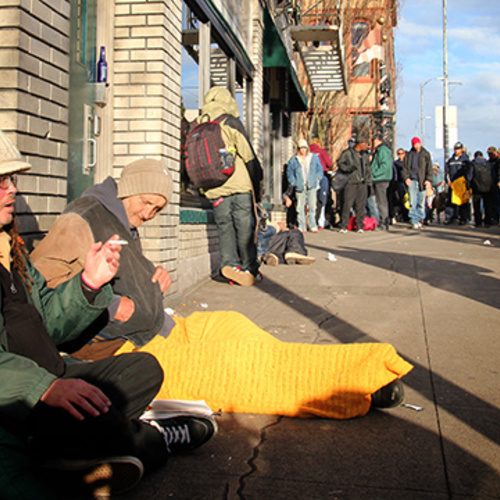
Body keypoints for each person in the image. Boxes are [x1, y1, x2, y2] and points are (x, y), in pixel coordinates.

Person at [32, 157, 413, 422]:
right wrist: (109, 305)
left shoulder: (124, 221)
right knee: (237, 367)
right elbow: (44, 293)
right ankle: (359, 383)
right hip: (122, 349)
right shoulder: (80, 220)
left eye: (158, 208)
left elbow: (120, 274)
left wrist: (152, 279)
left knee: (234, 326)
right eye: (147, 203)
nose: (149, 214)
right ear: (128, 191)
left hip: (163, 329)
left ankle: (337, 373)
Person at [0, 132, 216, 499]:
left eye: (13, 180)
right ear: (128, 191)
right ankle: (150, 438)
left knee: (142, 370)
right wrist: (44, 389)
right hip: (23, 394)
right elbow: (52, 268)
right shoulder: (84, 218)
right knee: (111, 432)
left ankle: (86, 443)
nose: (12, 191)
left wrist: (89, 285)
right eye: (1, 181)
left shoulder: (10, 249)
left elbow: (48, 320)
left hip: (55, 371)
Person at [198, 86, 262, 286]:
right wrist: (258, 183)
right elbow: (248, 154)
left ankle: (229, 265)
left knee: (224, 228)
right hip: (239, 185)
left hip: (215, 189)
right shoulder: (230, 121)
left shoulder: (200, 124)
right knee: (245, 227)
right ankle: (249, 268)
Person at [286, 139, 324, 233]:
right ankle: (302, 226)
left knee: (312, 206)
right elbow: (289, 172)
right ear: (298, 149)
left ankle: (312, 225)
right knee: (300, 206)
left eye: (304, 148)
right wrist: (293, 182)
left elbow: (320, 169)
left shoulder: (313, 157)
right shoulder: (294, 160)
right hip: (300, 185)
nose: (303, 150)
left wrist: (317, 178)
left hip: (312, 184)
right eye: (301, 148)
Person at [337, 136, 372, 233]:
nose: (367, 146)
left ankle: (359, 225)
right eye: (365, 143)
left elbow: (368, 168)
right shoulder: (348, 153)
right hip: (351, 182)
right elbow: (340, 164)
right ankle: (344, 225)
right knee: (347, 203)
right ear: (359, 144)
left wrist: (368, 181)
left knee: (361, 205)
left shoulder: (365, 155)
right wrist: (349, 169)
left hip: (362, 182)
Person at [402, 137, 433, 230]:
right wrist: (406, 178)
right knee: (412, 201)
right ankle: (414, 220)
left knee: (421, 201)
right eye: (415, 144)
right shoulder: (409, 155)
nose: (417, 146)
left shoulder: (425, 154)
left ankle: (420, 219)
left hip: (422, 181)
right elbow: (404, 168)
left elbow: (429, 168)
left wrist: (428, 180)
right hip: (412, 180)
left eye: (418, 144)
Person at [444, 141, 472, 225]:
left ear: (461, 150)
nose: (456, 151)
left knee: (463, 201)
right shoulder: (451, 160)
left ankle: (463, 218)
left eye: (458, 149)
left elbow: (468, 172)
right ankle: (450, 217)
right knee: (450, 201)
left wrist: (467, 182)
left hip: (462, 184)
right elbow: (447, 171)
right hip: (453, 184)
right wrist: (447, 180)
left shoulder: (465, 160)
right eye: (455, 149)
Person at [370, 134, 394, 230]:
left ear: (378, 140)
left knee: (381, 201)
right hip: (380, 178)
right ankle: (383, 221)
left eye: (373, 140)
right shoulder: (380, 150)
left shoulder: (383, 150)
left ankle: (384, 222)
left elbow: (385, 165)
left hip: (381, 179)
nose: (372, 142)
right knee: (380, 201)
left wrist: (374, 173)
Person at [309, 138, 333, 229]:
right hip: (321, 176)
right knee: (322, 200)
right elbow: (329, 163)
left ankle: (310, 221)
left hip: (309, 177)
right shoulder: (321, 151)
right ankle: (321, 221)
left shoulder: (307, 153)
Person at [470, 151, 494, 228]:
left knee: (477, 206)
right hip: (488, 187)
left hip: (476, 187)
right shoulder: (488, 164)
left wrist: (468, 186)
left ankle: (478, 222)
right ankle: (488, 222)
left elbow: (469, 176)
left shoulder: (473, 164)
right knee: (487, 205)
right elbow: (493, 175)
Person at [389, 148, 408, 223]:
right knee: (401, 199)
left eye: (402, 153)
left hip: (407, 182)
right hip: (399, 183)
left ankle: (407, 215)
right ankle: (402, 215)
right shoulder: (395, 164)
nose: (400, 155)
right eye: (399, 153)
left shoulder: (407, 163)